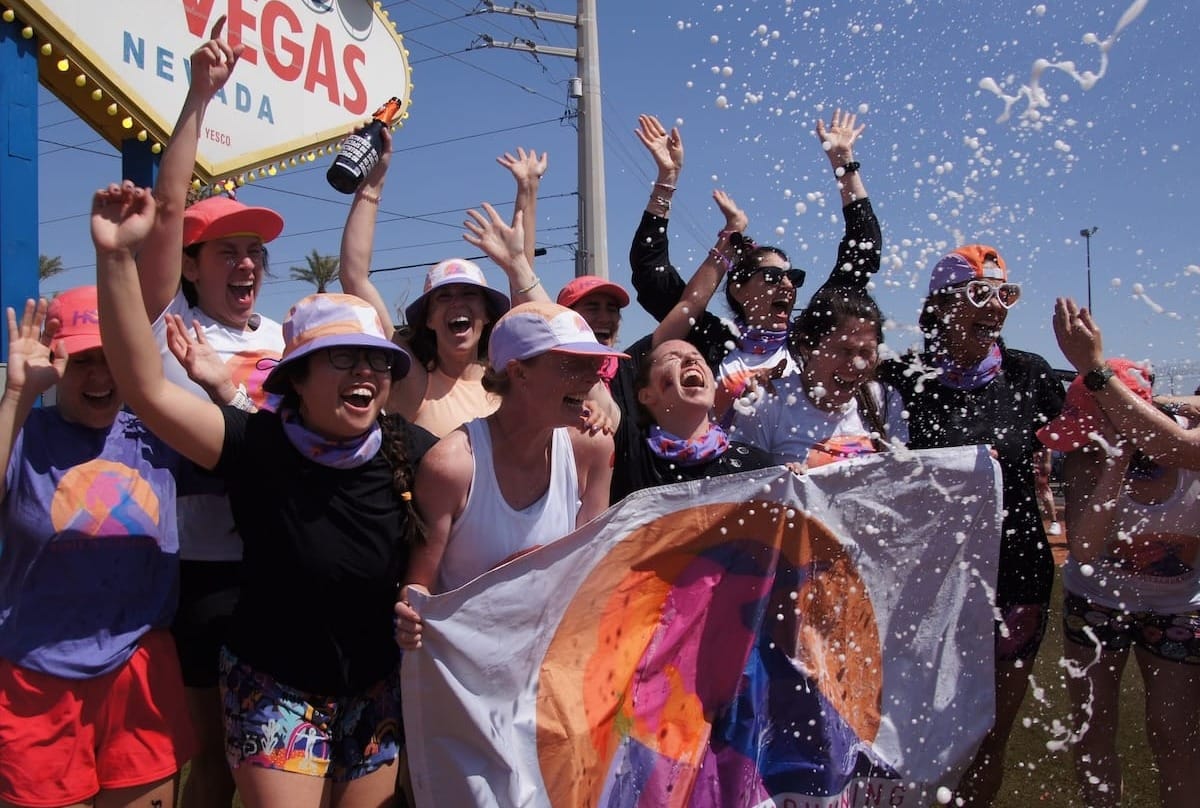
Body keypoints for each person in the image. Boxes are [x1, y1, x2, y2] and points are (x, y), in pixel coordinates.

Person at [93, 181, 433, 808]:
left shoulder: (412, 449)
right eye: (342, 358)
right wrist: (116, 259)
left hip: (375, 687)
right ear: (296, 377)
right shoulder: (256, 443)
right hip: (275, 684)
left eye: (376, 360)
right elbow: (142, 385)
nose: (365, 372)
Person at [131, 19, 287, 806]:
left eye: (255, 250)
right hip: (195, 571)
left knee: (271, 762)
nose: (247, 262)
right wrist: (198, 98)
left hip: (276, 566)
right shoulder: (168, 327)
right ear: (190, 266)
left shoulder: (289, 337)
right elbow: (165, 208)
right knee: (212, 765)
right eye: (226, 249)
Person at [876, 245, 1064, 806]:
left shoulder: (1031, 375)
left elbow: (1092, 434)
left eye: (1005, 295)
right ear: (940, 304)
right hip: (928, 582)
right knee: (915, 729)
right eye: (979, 294)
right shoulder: (904, 375)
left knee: (989, 734)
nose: (996, 308)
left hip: (1017, 575)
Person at [0, 288, 192, 808]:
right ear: (55, 360)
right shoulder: (24, 434)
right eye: (83, 360)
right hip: (36, 674)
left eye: (113, 359)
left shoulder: (162, 433)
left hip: (138, 666)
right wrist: (16, 396)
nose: (101, 376)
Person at [1038, 359, 1200, 807]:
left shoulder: (1189, 444)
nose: (1084, 439)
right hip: (1095, 602)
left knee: (1175, 736)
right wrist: (1115, 463)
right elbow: (1086, 550)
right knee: (1093, 731)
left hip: (1178, 606)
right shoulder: (1087, 457)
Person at [628, 110, 881, 396]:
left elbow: (863, 251)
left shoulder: (808, 337)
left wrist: (844, 163)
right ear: (738, 290)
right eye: (772, 276)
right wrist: (666, 180)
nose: (787, 285)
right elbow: (651, 274)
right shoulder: (711, 340)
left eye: (793, 277)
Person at [338, 129, 518, 439]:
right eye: (444, 297)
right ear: (430, 319)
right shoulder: (415, 384)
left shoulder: (512, 384)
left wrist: (527, 192)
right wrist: (373, 182)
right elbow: (354, 277)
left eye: (469, 294)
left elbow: (527, 295)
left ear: (487, 314)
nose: (457, 303)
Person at [732, 286, 908, 466]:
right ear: (808, 348)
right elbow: (743, 485)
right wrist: (783, 483)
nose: (857, 363)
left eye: (866, 351)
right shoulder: (768, 403)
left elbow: (899, 479)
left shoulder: (884, 399)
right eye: (844, 350)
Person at [1054, 297, 1200, 468]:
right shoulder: (1084, 459)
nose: (1088, 444)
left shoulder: (1183, 427)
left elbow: (1181, 450)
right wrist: (1154, 403)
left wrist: (1094, 369)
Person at [1034, 445, 1062, 536]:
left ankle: (1054, 522)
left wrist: (1047, 461)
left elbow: (1044, 442)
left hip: (1038, 457)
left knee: (1043, 488)